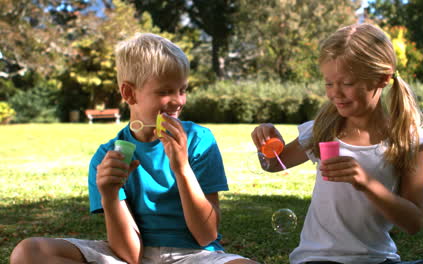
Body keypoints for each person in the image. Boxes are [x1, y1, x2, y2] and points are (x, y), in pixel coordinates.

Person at [10, 33, 257, 264]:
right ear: (129, 93)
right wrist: (109, 194)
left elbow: (206, 234)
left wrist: (181, 168)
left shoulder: (198, 140)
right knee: (28, 253)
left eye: (182, 90)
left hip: (196, 255)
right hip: (131, 257)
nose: (178, 101)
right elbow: (130, 255)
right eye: (165, 91)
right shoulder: (109, 157)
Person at [251, 23, 423, 264]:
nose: (335, 93)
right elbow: (272, 165)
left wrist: (366, 183)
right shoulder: (323, 130)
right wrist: (267, 143)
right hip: (319, 259)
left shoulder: (409, 140)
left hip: (379, 260)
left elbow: (413, 222)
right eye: (329, 83)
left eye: (347, 83)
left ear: (382, 79)